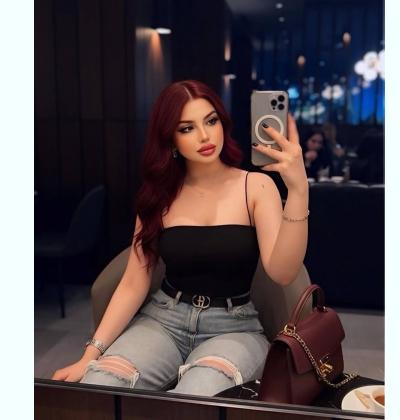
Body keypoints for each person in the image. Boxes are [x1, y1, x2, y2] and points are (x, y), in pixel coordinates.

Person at [51, 80, 309, 396]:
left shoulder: (255, 186)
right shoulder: (158, 197)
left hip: (234, 328)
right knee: (99, 386)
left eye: (211, 121)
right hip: (163, 320)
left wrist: (298, 189)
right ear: (170, 139)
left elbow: (283, 273)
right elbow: (133, 283)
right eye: (187, 128)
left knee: (192, 403)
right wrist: (89, 356)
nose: (204, 135)